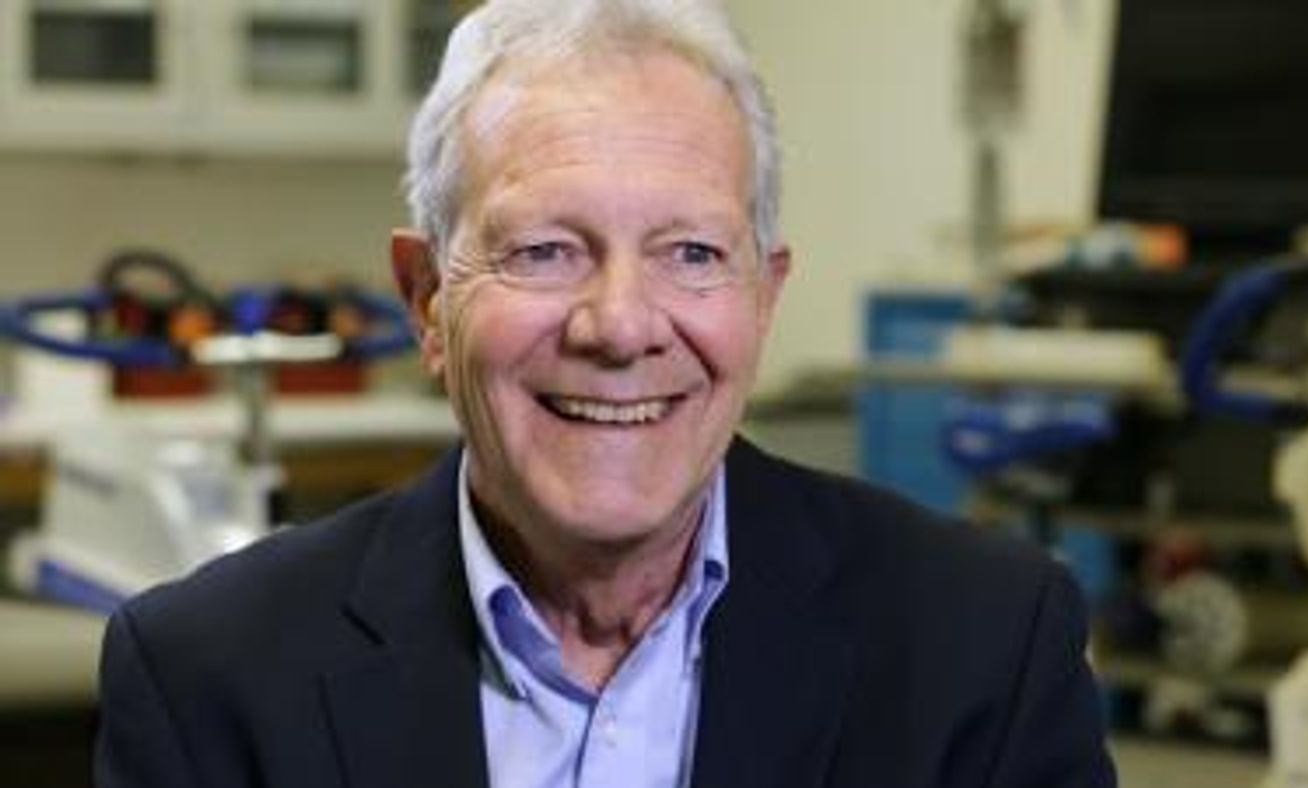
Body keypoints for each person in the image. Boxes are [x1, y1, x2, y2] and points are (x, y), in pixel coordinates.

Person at [95, 0, 1116, 785]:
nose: (620, 325)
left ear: (761, 297)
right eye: (543, 250)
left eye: (690, 252)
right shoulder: (207, 676)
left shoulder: (983, 644)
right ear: (424, 300)